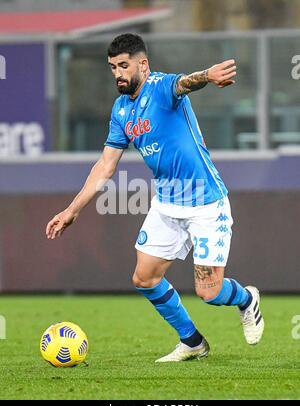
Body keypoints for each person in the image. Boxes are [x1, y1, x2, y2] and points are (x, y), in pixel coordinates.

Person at [46, 33, 264, 362]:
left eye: (124, 65)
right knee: (144, 278)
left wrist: (207, 75)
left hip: (206, 203)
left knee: (210, 292)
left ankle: (247, 300)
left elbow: (184, 83)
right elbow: (106, 166)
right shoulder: (121, 111)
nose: (118, 73)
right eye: (112, 67)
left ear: (143, 65)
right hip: (166, 205)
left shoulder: (161, 87)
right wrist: (72, 210)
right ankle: (192, 341)